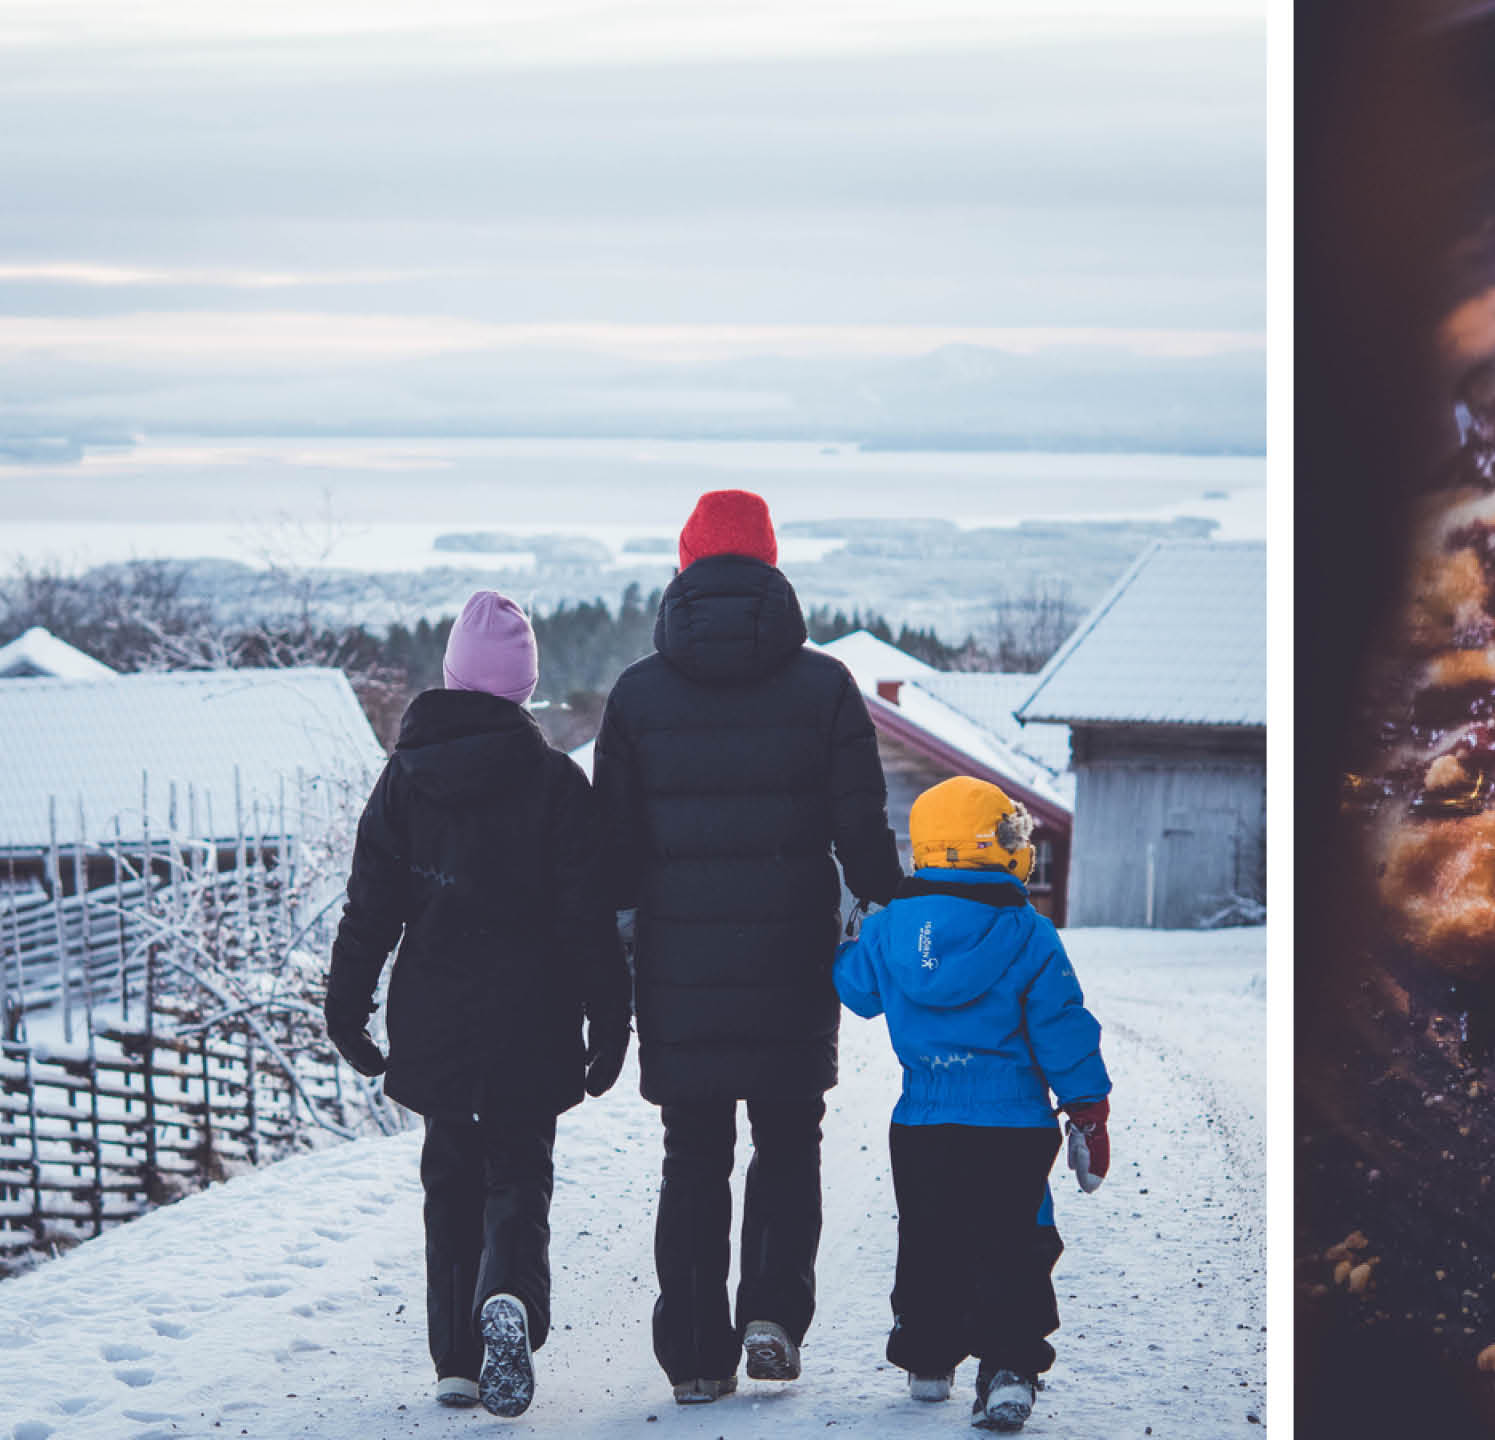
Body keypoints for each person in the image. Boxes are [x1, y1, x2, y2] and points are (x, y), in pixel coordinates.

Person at [592, 489, 905, 1404]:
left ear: (685, 567)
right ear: (770, 565)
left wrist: (605, 951)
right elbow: (863, 832)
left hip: (680, 972)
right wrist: (898, 905)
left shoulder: (638, 694)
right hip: (789, 962)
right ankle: (772, 1315)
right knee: (788, 1141)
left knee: (692, 1153)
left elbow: (611, 856)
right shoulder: (826, 687)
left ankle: (694, 1355)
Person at [324, 589, 629, 1418]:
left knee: (449, 1176)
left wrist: (344, 1007)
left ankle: (457, 1362)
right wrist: (610, 1019)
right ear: (524, 688)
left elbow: (370, 908)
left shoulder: (404, 782)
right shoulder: (558, 785)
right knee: (519, 1174)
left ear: (454, 677)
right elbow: (587, 921)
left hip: (434, 1017)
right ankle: (512, 1301)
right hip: (532, 1020)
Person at [833, 776, 1114, 1433]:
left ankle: (928, 1358)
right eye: (1011, 833)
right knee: (1013, 1240)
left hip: (923, 1119)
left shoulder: (889, 930)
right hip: (1011, 1122)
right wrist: (1087, 1109)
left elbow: (859, 993)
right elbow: (1062, 1026)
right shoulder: (1028, 933)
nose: (1021, 843)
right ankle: (1010, 1367)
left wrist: (851, 936)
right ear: (984, 847)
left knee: (929, 1234)